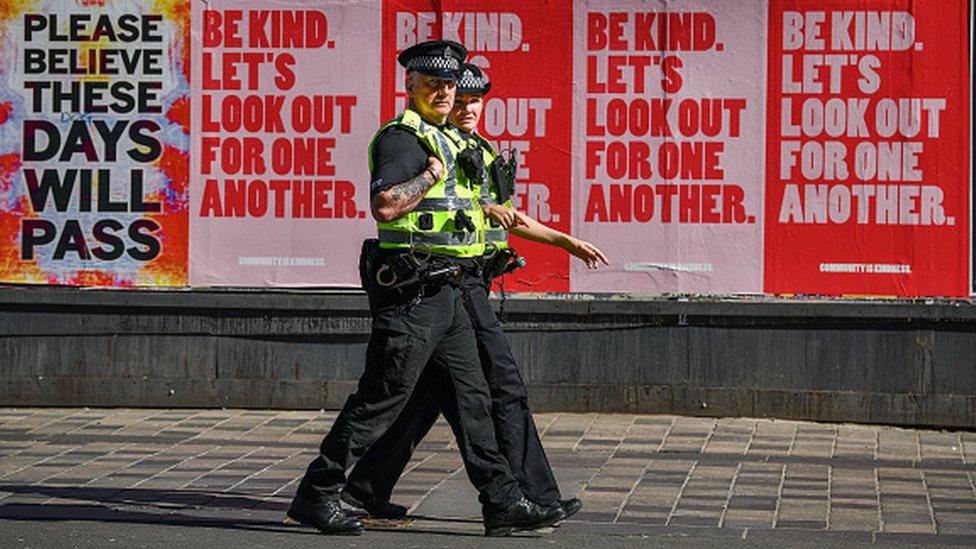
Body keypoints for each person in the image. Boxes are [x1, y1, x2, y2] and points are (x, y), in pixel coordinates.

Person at [287, 42, 563, 537]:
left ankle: (502, 502)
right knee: (385, 394)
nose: (443, 92)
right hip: (414, 290)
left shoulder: (449, 137)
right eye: (432, 83)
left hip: (451, 287)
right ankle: (318, 492)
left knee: (472, 397)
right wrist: (429, 175)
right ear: (410, 85)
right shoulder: (404, 138)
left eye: (449, 84)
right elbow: (386, 206)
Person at [342, 63, 609, 522]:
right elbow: (401, 203)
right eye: (456, 100)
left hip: (464, 282)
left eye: (472, 101)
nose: (464, 108)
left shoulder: (475, 149)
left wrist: (565, 241)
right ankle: (527, 495)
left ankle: (366, 486)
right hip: (445, 284)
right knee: (495, 389)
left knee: (430, 396)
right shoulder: (421, 141)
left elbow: (504, 215)